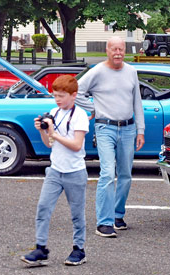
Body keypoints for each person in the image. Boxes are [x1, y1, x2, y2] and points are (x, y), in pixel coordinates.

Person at [75, 36, 145, 238]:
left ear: (125, 51)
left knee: (125, 175)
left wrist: (140, 130)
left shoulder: (131, 72)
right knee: (107, 173)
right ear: (107, 50)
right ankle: (103, 223)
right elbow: (77, 90)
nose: (118, 53)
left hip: (128, 128)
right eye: (114, 49)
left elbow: (137, 103)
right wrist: (94, 107)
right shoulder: (97, 71)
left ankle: (117, 215)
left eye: (121, 49)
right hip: (105, 128)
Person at [22, 75, 89, 267]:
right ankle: (41, 248)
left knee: (77, 214)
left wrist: (54, 134)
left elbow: (77, 145)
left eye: (61, 96)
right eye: (55, 95)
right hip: (55, 170)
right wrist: (43, 132)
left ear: (73, 95)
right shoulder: (54, 112)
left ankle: (79, 250)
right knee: (43, 208)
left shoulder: (80, 115)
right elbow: (49, 144)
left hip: (75, 172)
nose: (57, 99)